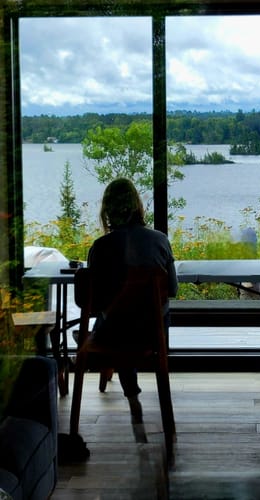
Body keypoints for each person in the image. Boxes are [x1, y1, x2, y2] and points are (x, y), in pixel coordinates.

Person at [87, 178, 178, 423]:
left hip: (116, 337)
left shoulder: (100, 248)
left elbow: (93, 303)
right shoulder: (160, 240)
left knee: (114, 320)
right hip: (153, 335)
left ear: (107, 210)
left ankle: (131, 394)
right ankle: (150, 401)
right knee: (145, 315)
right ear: (138, 206)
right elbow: (172, 289)